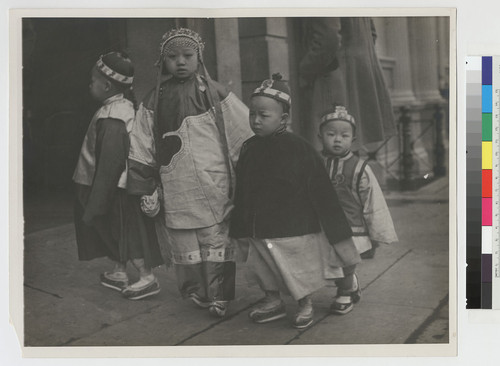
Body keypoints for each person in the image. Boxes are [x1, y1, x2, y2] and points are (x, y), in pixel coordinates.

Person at [127, 28, 253, 318]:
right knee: (184, 240)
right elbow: (142, 143)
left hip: (213, 180)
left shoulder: (213, 92)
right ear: (162, 61)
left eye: (187, 55)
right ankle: (197, 291)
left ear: (199, 57)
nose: (180, 62)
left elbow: (241, 131)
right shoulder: (153, 99)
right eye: (172, 57)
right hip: (176, 183)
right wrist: (146, 186)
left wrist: (251, 169)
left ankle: (223, 294)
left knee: (216, 239)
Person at [230, 73, 361, 329]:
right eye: (252, 114)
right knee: (264, 269)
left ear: (283, 118)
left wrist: (336, 229)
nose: (256, 121)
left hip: (293, 226)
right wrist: (239, 225)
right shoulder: (248, 148)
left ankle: (305, 303)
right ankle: (272, 300)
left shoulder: (299, 149)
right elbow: (243, 188)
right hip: (259, 226)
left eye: (263, 115)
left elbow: (321, 191)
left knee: (296, 269)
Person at [73, 51, 163, 300]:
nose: (90, 84)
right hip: (115, 186)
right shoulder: (118, 108)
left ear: (106, 85)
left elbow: (109, 166)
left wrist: (96, 201)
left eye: (93, 80)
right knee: (115, 231)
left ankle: (147, 277)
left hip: (115, 189)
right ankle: (119, 272)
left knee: (125, 232)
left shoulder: (112, 117)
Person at [318, 105, 398, 313]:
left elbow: (373, 201)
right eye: (331, 134)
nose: (337, 139)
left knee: (345, 260)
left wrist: (377, 233)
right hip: (322, 225)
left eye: (344, 135)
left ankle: (345, 292)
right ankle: (349, 283)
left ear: (353, 140)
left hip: (350, 225)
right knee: (329, 262)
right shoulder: (315, 163)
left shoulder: (360, 167)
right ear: (320, 136)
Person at [299, 17, 396, 152]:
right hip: (357, 75)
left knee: (329, 150)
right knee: (346, 148)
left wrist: (303, 69)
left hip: (332, 77)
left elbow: (328, 40)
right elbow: (372, 34)